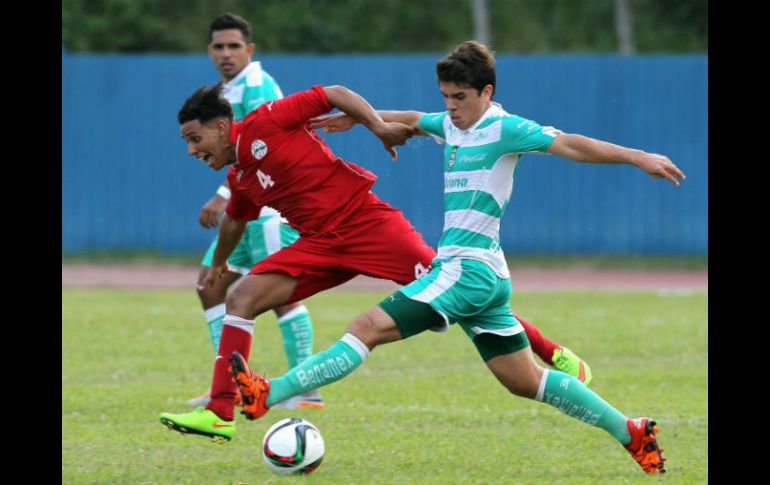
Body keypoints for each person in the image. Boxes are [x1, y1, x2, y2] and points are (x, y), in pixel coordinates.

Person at [227, 41, 683, 474]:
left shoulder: (505, 129)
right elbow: (412, 119)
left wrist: (637, 156)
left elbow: (571, 144)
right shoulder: (451, 124)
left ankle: (270, 393)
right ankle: (631, 431)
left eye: (460, 97)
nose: (450, 106)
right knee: (525, 381)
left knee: (366, 328)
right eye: (445, 96)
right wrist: (366, 120)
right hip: (484, 274)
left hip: (467, 269)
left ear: (487, 92)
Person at [160, 78, 592, 444]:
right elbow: (236, 219)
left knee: (459, 292)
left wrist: (379, 127)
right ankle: (220, 412)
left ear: (221, 127)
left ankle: (552, 352)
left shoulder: (267, 120)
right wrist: (219, 263)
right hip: (320, 245)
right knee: (242, 300)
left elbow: (335, 92)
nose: (192, 151)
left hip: (368, 225)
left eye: (195, 140)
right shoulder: (240, 176)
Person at [188, 13, 322, 410]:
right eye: (219, 46)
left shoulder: (258, 85)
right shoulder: (227, 90)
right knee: (210, 285)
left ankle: (306, 388)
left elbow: (261, 147)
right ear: (210, 51)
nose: (226, 53)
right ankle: (228, 385)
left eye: (234, 46)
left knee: (283, 296)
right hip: (245, 214)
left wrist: (221, 194)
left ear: (250, 49)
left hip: (268, 209)